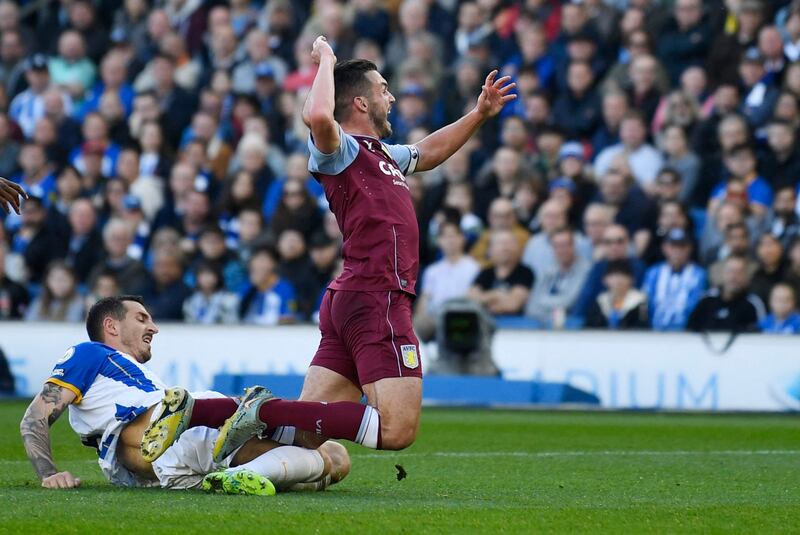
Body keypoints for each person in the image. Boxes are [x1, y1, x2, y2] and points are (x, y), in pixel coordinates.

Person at [140, 35, 515, 461]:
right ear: (359, 102)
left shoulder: (382, 154)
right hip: (378, 295)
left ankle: (198, 412)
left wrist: (479, 114)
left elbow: (428, 153)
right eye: (383, 89)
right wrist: (327, 60)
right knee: (396, 429)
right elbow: (318, 112)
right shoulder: (340, 151)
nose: (390, 97)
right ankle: (259, 408)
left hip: (351, 298)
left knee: (301, 433)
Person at [19, 295, 350, 494]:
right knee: (324, 451)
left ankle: (244, 475)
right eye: (141, 318)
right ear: (112, 327)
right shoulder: (89, 353)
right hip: (185, 429)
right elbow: (34, 417)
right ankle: (242, 424)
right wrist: (49, 473)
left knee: (336, 458)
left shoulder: (132, 375)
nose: (154, 327)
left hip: (166, 470)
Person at [414, 220, 480, 342]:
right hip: (436, 323)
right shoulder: (432, 271)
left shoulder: (474, 267)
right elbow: (424, 300)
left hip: (464, 321)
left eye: (454, 235)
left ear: (462, 238)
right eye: (445, 236)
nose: (450, 240)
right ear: (439, 241)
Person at [641, 228, 707, 331]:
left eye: (682, 246)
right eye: (673, 246)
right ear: (664, 247)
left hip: (686, 334)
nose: (677, 251)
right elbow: (647, 303)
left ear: (689, 248)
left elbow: (696, 304)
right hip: (654, 333)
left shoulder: (699, 274)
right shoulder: (653, 273)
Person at [525, 227, 591, 327]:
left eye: (564, 245)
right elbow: (531, 308)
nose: (561, 250)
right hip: (543, 330)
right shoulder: (548, 270)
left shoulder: (586, 270)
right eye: (557, 246)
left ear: (573, 246)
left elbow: (569, 302)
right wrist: (554, 314)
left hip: (574, 330)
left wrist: (542, 301)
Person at [687, 255, 765, 332]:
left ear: (746, 277)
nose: (734, 277)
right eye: (730, 271)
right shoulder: (707, 300)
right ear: (723, 274)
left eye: (739, 272)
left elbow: (762, 334)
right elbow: (690, 330)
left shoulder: (753, 304)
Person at [468, 229, 534, 318]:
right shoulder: (486, 272)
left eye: (509, 243)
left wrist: (484, 300)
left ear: (518, 248)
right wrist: (497, 294)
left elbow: (513, 305)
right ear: (490, 250)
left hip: (515, 326)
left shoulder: (525, 272)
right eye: (500, 243)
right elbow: (470, 299)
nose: (505, 248)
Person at [585, 259, 649, 330]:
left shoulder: (640, 301)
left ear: (632, 279)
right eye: (613, 275)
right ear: (604, 279)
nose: (618, 279)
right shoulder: (600, 301)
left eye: (623, 275)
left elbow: (642, 327)